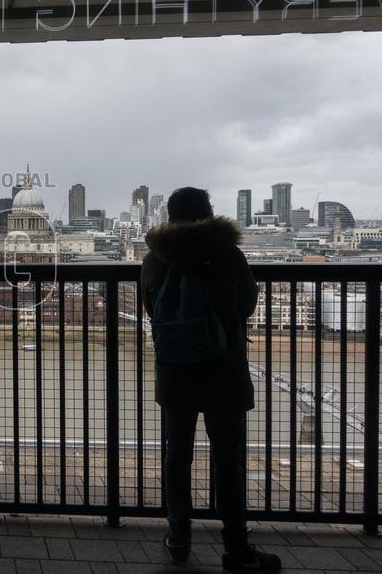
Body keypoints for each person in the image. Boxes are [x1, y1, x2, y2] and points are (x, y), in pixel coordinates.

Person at [141, 187, 280, 573]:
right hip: (224, 370)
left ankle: (178, 539)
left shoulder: (156, 258)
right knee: (227, 460)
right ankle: (237, 547)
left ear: (170, 216)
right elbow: (248, 303)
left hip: (175, 371)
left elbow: (151, 308)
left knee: (176, 456)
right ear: (209, 214)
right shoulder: (227, 253)